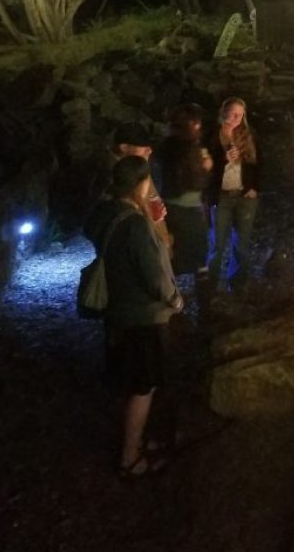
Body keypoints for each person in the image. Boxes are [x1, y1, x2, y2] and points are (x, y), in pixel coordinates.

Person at [84, 155, 184, 479]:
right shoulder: (135, 225)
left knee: (131, 380)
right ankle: (129, 457)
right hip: (142, 317)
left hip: (118, 312)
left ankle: (136, 441)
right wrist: (175, 299)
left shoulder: (105, 213)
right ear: (142, 184)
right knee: (143, 386)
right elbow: (153, 276)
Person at [208, 98, 260, 294]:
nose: (237, 118)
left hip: (244, 195)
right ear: (223, 112)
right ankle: (210, 288)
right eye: (233, 113)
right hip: (221, 196)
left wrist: (254, 186)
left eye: (241, 114)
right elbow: (205, 169)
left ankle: (237, 286)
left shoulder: (247, 135)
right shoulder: (213, 136)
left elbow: (258, 163)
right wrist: (222, 160)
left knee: (242, 244)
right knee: (217, 245)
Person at [157, 104, 212, 279]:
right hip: (189, 206)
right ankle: (205, 302)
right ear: (191, 124)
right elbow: (196, 181)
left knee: (174, 248)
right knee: (199, 251)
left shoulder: (165, 146)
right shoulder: (189, 148)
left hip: (170, 203)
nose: (199, 126)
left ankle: (172, 297)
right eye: (197, 123)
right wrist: (206, 167)